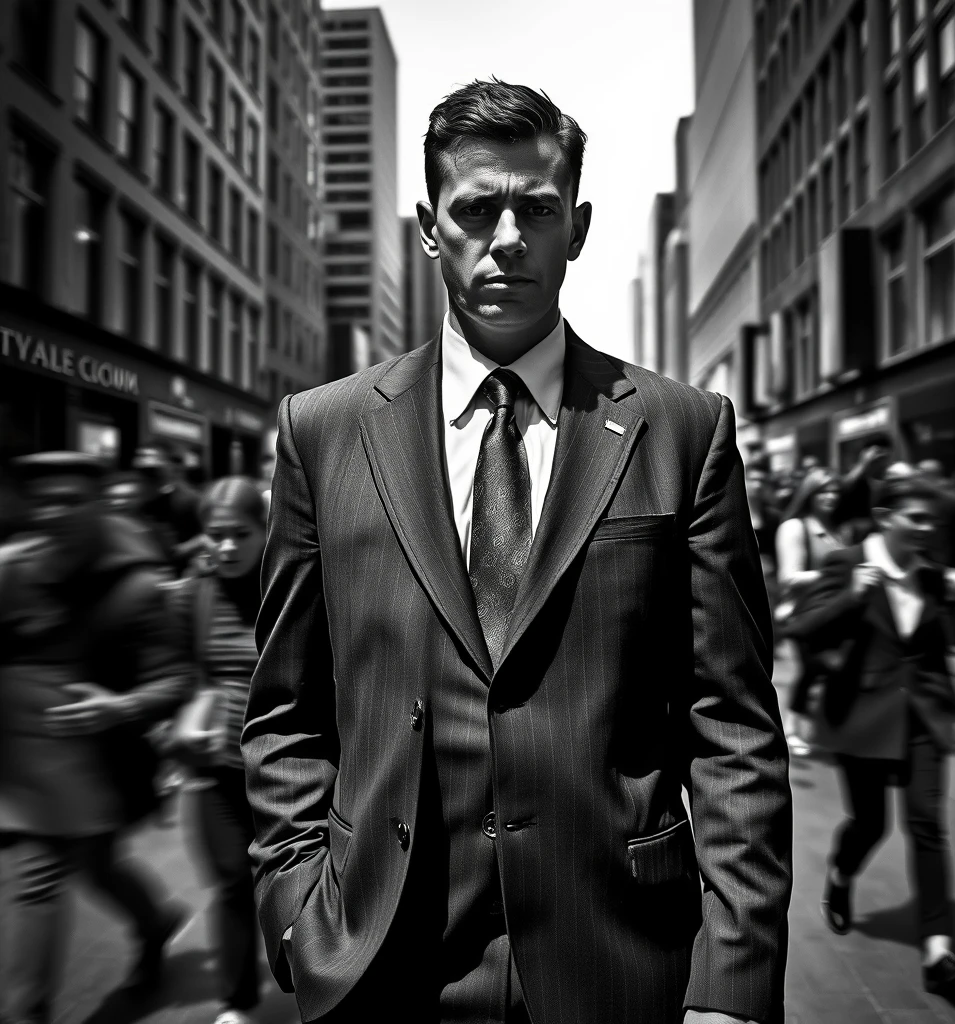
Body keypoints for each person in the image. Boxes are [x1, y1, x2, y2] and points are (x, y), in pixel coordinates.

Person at [242, 80, 792, 1024]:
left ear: (575, 227)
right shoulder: (323, 432)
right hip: (379, 963)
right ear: (428, 225)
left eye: (536, 209)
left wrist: (734, 984)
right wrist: (295, 908)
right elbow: (286, 707)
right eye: (475, 208)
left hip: (618, 965)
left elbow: (732, 721)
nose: (506, 238)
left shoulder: (682, 430)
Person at [0, 453, 191, 1024]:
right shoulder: (10, 572)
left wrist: (119, 707)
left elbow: (175, 679)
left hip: (98, 769)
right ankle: (156, 921)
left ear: (101, 506)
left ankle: (23, 1013)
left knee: (50, 876)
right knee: (90, 867)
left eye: (71, 500)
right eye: (44, 500)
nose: (55, 513)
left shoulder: (138, 588)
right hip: (21, 766)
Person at [785, 477, 955, 998]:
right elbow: (802, 630)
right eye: (916, 518)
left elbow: (936, 647)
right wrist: (854, 598)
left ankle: (939, 949)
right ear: (886, 516)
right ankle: (842, 876)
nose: (926, 528)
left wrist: (953, 707)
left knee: (927, 825)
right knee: (870, 824)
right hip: (863, 715)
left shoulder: (933, 574)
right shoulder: (848, 563)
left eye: (931, 521)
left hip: (921, 719)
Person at [170, 478, 267, 1024]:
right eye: (215, 535)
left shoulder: (294, 579)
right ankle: (236, 1002)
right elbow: (179, 672)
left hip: (287, 763)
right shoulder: (193, 593)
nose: (226, 546)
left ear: (264, 531)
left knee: (305, 877)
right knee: (232, 881)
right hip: (216, 766)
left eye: (239, 534)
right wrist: (182, 722)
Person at [774, 468, 846, 755]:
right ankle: (792, 728)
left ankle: (815, 726)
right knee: (813, 669)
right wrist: (837, 576)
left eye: (836, 491)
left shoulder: (836, 528)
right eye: (824, 491)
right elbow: (789, 577)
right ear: (810, 492)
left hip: (834, 611)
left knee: (822, 671)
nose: (831, 497)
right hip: (805, 612)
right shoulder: (795, 527)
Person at [132, 441, 205, 573]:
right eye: (143, 472)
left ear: (168, 468)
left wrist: (181, 550)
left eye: (153, 472)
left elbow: (208, 535)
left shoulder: (189, 500)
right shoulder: (138, 504)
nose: (148, 478)